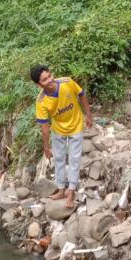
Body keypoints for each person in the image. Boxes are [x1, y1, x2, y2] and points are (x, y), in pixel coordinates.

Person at [31, 65, 92, 208]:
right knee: (58, 158)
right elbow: (45, 127)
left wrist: (88, 114)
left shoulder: (67, 83)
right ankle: (61, 189)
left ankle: (71, 192)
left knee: (74, 158)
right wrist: (46, 147)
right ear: (38, 84)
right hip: (58, 129)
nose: (50, 80)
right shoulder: (41, 101)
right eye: (45, 80)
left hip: (76, 125)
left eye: (50, 76)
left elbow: (81, 94)